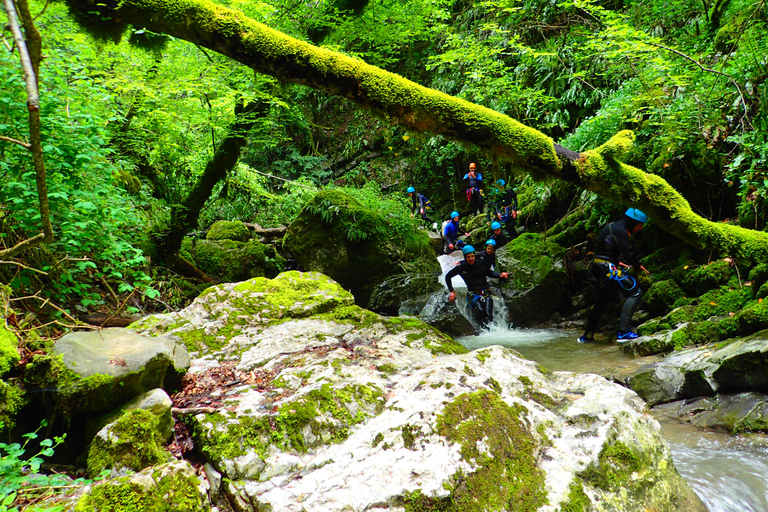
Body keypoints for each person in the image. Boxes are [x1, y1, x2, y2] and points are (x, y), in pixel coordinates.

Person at [579, 208, 650, 344]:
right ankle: (623, 333)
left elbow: (606, 250)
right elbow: (628, 256)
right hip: (606, 269)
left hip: (596, 268)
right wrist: (637, 264)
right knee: (635, 292)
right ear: (634, 223)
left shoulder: (612, 226)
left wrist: (618, 262)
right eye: (640, 225)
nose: (640, 229)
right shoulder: (621, 231)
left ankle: (586, 337)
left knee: (601, 301)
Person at [445, 245, 509, 327]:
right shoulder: (461, 267)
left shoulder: (481, 263)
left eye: (472, 256)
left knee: (488, 314)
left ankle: (493, 332)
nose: (471, 259)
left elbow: (489, 273)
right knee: (481, 312)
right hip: (473, 294)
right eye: (468, 257)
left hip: (486, 292)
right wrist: (451, 291)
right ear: (465, 257)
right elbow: (448, 276)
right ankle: (484, 332)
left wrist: (500, 275)